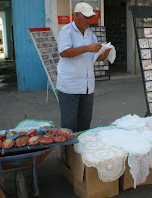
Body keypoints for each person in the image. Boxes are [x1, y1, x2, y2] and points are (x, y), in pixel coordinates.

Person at [56, 2, 111, 132]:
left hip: (87, 87)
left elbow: (93, 57)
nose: (89, 21)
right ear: (75, 15)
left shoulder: (90, 34)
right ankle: (68, 152)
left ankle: (80, 151)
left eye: (90, 17)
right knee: (69, 126)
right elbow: (64, 52)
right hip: (70, 87)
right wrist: (88, 48)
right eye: (86, 17)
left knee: (85, 124)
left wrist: (104, 56)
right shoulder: (66, 31)